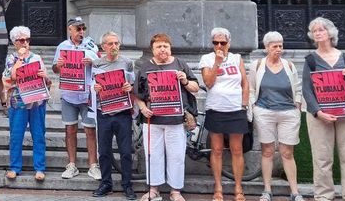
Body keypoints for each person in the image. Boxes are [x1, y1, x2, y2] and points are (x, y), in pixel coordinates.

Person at [302, 17, 345, 201]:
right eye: (314, 31)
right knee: (322, 158)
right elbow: (306, 89)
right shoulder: (310, 60)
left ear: (330, 33)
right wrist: (318, 112)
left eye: (321, 29)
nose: (318, 33)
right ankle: (323, 196)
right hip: (320, 115)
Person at [135, 33, 199, 201]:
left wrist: (184, 80)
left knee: (176, 155)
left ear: (170, 48)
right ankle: (154, 189)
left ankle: (175, 190)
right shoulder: (145, 67)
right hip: (152, 120)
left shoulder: (180, 64)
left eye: (165, 46)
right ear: (152, 49)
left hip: (175, 120)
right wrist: (142, 109)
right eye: (158, 46)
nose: (162, 49)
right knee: (153, 155)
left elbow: (195, 88)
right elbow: (138, 95)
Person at [248, 31, 303, 201]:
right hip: (264, 112)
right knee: (268, 151)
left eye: (281, 46)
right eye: (275, 46)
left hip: (288, 113)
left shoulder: (289, 65)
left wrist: (298, 106)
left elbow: (297, 88)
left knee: (287, 152)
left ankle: (295, 192)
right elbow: (251, 89)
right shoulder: (257, 65)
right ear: (266, 48)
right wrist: (253, 108)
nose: (279, 49)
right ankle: (267, 190)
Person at [199, 27, 249, 201]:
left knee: (237, 149)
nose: (219, 45)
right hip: (216, 107)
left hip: (236, 108)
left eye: (223, 42)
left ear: (229, 42)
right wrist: (217, 63)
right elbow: (208, 82)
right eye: (215, 42)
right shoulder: (207, 59)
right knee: (217, 149)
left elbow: (245, 82)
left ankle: (238, 187)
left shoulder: (236, 58)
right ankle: (218, 187)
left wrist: (244, 104)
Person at [52, 16, 101, 180]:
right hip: (69, 94)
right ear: (70, 29)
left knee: (90, 131)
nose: (81, 32)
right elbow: (54, 69)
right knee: (70, 130)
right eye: (78, 29)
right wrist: (58, 66)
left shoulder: (91, 45)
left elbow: (102, 66)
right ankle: (72, 164)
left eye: (83, 29)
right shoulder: (62, 46)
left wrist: (92, 62)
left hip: (87, 95)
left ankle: (93, 165)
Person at [91, 31, 136, 199]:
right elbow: (91, 85)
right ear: (103, 47)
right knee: (103, 151)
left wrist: (129, 87)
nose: (114, 47)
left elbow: (133, 84)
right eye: (110, 44)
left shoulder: (127, 62)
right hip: (103, 112)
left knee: (125, 151)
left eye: (116, 43)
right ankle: (106, 184)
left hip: (122, 112)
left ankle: (127, 185)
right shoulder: (96, 63)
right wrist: (94, 89)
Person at [2, 25, 48, 181]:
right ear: (15, 42)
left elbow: (47, 81)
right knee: (16, 136)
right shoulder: (11, 58)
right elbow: (12, 76)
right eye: (21, 40)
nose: (25, 43)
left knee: (39, 134)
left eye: (27, 39)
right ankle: (15, 167)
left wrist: (45, 77)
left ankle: (40, 168)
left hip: (37, 102)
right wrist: (20, 59)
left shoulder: (36, 58)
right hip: (18, 102)